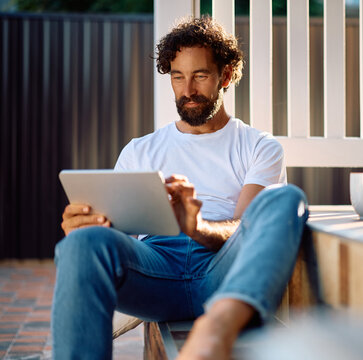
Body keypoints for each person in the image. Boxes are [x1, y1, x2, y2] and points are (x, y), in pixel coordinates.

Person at [51, 16, 309, 360]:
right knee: (81, 244)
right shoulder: (140, 150)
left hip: (223, 274)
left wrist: (196, 227)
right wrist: (85, 230)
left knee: (287, 199)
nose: (187, 90)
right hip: (152, 272)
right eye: (177, 77)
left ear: (226, 76)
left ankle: (218, 327)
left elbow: (250, 230)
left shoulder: (258, 146)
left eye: (200, 76)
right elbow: (118, 242)